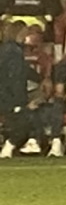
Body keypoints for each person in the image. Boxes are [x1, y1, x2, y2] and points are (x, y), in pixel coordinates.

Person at [0, 21, 33, 159]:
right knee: (23, 123)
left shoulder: (8, 49)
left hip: (6, 94)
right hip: (10, 96)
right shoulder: (13, 52)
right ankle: (8, 147)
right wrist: (19, 100)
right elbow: (15, 78)